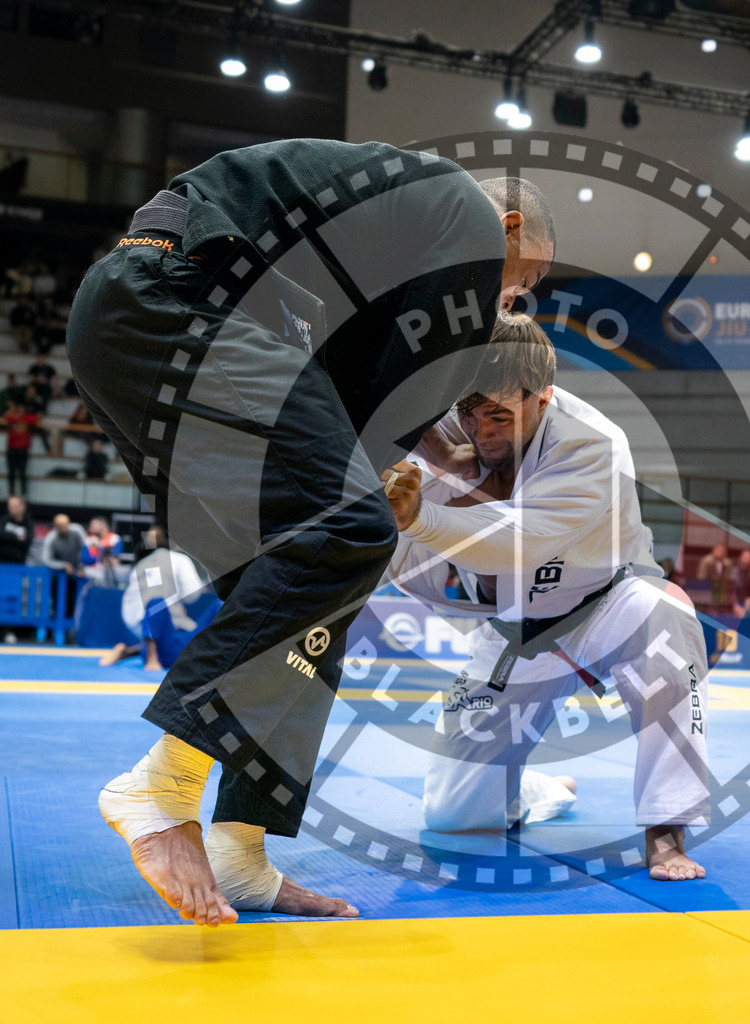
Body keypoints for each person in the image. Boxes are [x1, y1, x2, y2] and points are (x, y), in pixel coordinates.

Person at [66, 138, 555, 926]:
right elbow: (389, 405)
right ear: (505, 230)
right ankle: (159, 791)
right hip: (175, 304)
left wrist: (428, 449)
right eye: (523, 279)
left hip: (131, 322)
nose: (512, 300)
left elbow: (356, 395)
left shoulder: (380, 240)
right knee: (352, 530)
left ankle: (241, 850)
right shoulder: (463, 211)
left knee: (305, 599)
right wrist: (456, 463)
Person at [386, 313, 709, 882]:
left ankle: (667, 829)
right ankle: (535, 791)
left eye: (499, 415)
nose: (482, 431)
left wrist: (421, 516)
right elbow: (400, 541)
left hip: (605, 603)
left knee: (668, 618)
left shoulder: (593, 443)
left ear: (543, 398)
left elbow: (522, 542)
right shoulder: (449, 437)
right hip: (515, 627)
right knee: (452, 816)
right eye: (469, 413)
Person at [100, 528, 211, 671]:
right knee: (217, 606)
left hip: (153, 639)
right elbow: (192, 595)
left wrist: (144, 633)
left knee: (156, 604)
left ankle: (140, 652)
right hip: (176, 640)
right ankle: (150, 657)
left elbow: (129, 609)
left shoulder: (139, 567)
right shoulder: (179, 560)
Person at [2, 400, 38, 496]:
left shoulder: (27, 418)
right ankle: (11, 493)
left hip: (23, 450)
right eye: (19, 408)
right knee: (11, 473)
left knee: (22, 473)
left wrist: (21, 417)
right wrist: (15, 414)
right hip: (12, 449)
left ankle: (23, 494)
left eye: (23, 408)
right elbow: (7, 416)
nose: (21, 410)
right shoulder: (12, 418)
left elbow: (35, 419)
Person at [81, 516, 124, 584]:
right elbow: (84, 559)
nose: (90, 528)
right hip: (91, 573)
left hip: (108, 573)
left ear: (102, 525)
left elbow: (115, 561)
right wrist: (100, 558)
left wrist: (99, 546)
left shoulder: (114, 539)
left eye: (93, 525)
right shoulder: (89, 540)